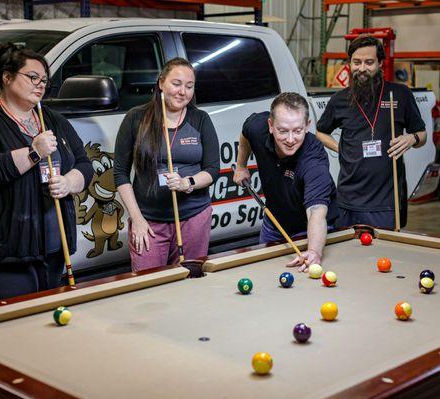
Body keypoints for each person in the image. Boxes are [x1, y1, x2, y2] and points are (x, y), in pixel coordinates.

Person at [0, 43, 93, 302]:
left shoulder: (52, 119)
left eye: (44, 80)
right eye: (32, 77)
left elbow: (84, 165)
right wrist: (33, 153)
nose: (40, 85)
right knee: (12, 328)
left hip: (52, 249)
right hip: (4, 255)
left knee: (47, 320)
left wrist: (68, 182)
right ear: (7, 77)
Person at [114, 57, 220, 272]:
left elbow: (212, 170)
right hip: (149, 220)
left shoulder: (200, 119)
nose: (183, 92)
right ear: (161, 83)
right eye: (176, 84)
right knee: (148, 285)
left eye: (189, 87)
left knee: (191, 283)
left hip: (193, 217)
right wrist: (137, 219)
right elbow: (120, 173)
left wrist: (186, 182)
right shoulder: (136, 118)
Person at [316, 35, 427, 229]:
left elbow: (422, 134)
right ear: (349, 63)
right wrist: (339, 147)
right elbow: (320, 131)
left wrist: (412, 138)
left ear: (380, 64)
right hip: (347, 201)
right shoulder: (339, 100)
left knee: (385, 257)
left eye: (369, 62)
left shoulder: (400, 94)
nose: (362, 68)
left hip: (386, 203)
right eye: (356, 62)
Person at [233, 92, 338, 272]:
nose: (290, 140)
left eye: (297, 131)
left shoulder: (314, 159)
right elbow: (245, 133)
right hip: (274, 222)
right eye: (282, 131)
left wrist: (314, 251)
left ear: (307, 126)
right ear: (271, 126)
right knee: (266, 276)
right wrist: (241, 165)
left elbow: (316, 212)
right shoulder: (257, 127)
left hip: (307, 229)